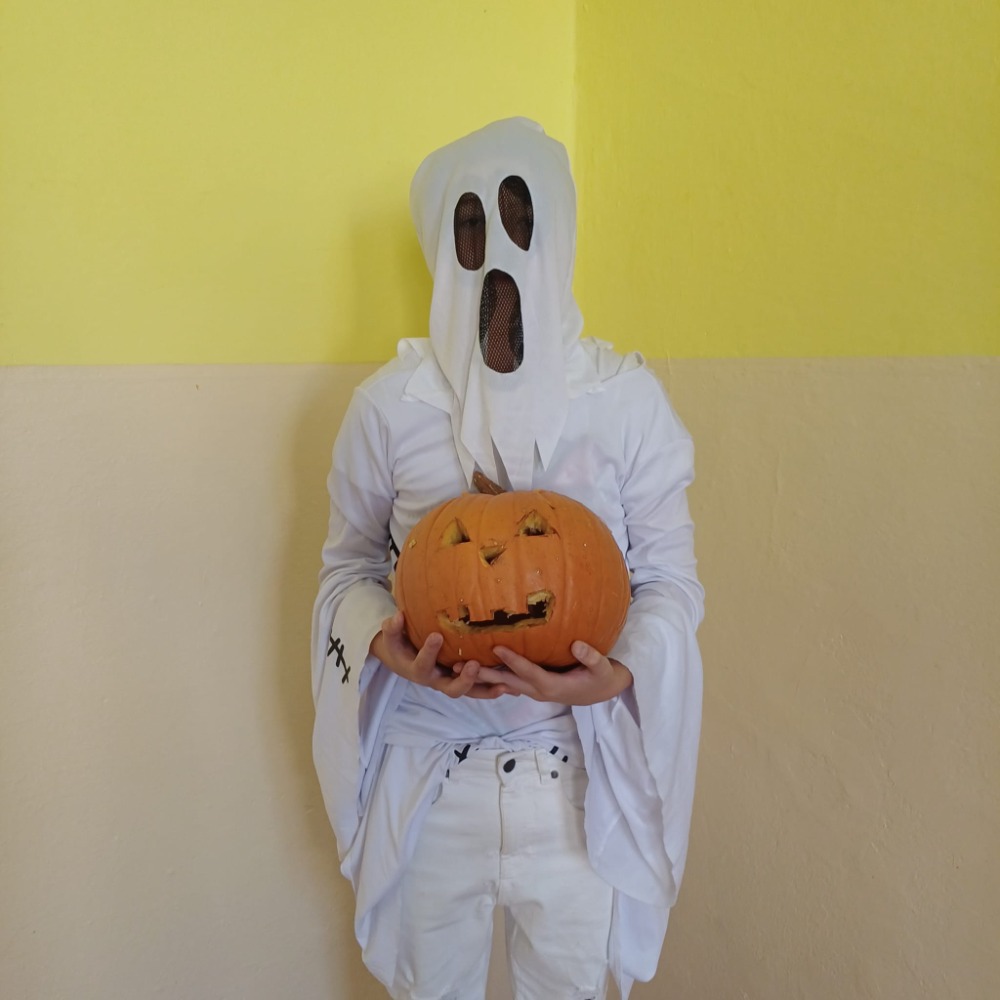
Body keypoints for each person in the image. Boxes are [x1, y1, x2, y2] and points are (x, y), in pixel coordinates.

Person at [311, 118, 704, 1000]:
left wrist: (620, 676)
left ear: (557, 227)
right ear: (441, 240)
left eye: (521, 220)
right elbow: (346, 572)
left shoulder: (625, 402)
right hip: (429, 780)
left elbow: (671, 582)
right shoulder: (388, 408)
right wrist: (385, 644)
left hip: (577, 786)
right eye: (472, 226)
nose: (498, 252)